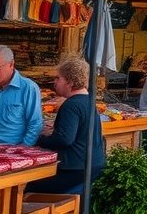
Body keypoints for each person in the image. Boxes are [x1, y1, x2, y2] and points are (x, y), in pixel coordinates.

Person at [26, 58, 106, 194]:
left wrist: (40, 139)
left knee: (27, 186)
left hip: (74, 168)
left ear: (70, 81)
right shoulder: (89, 101)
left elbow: (64, 139)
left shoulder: (71, 105)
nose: (54, 82)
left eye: (58, 78)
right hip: (93, 164)